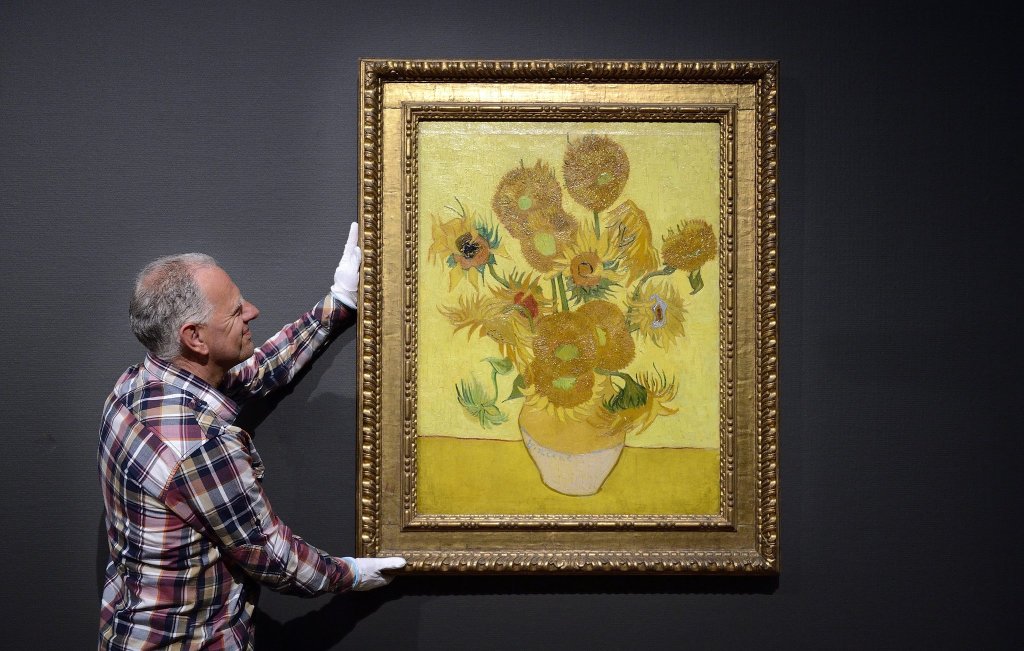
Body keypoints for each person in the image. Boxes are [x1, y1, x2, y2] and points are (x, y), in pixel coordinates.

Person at [98, 223, 405, 650]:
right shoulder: (202, 445)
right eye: (236, 311)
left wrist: (338, 302)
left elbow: (256, 372)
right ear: (194, 337)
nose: (253, 312)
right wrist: (351, 573)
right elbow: (274, 558)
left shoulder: (133, 387)